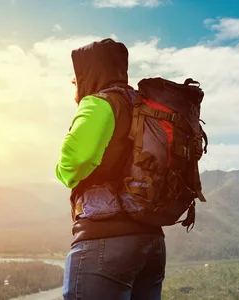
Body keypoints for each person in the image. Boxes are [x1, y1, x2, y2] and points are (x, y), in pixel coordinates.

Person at [56, 38, 166, 300]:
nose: (74, 83)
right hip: (151, 242)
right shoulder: (143, 107)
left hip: (105, 241)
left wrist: (62, 172)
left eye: (76, 77)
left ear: (89, 74)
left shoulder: (99, 103)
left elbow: (74, 163)